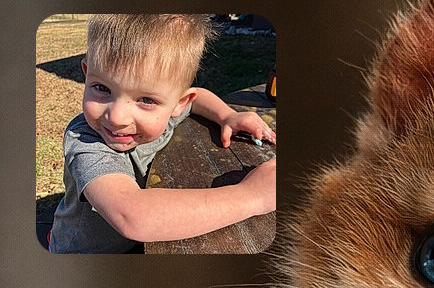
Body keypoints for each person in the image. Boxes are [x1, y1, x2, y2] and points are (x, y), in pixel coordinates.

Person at [47, 13, 276, 253]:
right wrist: (252, 196)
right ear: (86, 74)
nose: (116, 117)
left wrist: (228, 116)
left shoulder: (168, 111)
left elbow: (199, 96)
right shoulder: (86, 140)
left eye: (145, 99)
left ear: (177, 103)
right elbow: (132, 215)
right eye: (102, 88)